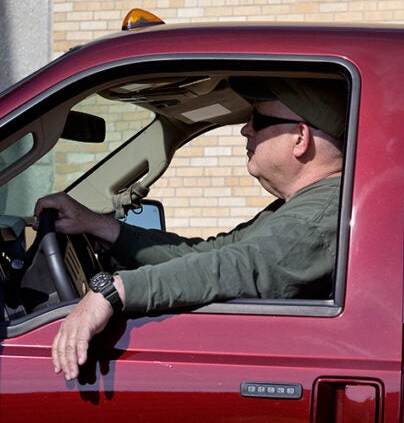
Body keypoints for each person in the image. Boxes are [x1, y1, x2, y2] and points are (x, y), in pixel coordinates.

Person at [34, 77, 347, 382]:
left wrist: (114, 291)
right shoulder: (305, 205)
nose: (245, 129)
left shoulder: (317, 218)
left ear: (300, 138)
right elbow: (211, 252)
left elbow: (238, 268)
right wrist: (97, 224)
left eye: (258, 119)